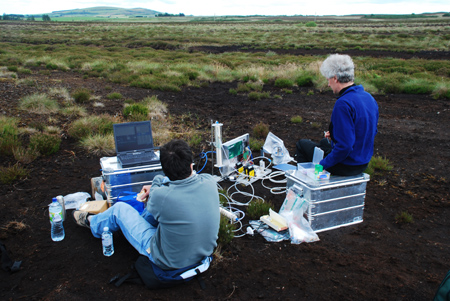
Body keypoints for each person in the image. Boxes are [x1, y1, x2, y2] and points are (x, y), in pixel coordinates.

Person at [73, 139, 220, 277]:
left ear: (165, 170)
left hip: (168, 260)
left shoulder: (162, 197)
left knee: (120, 209)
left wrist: (156, 181)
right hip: (203, 253)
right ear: (190, 165)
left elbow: (156, 195)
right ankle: (128, 227)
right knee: (156, 214)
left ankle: (91, 222)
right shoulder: (210, 182)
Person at [295, 54, 379, 176]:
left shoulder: (343, 103)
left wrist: (321, 165)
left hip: (346, 165)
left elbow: (345, 146)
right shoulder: (368, 98)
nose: (328, 84)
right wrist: (335, 135)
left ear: (335, 78)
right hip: (362, 162)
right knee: (324, 142)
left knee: (302, 145)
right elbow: (369, 131)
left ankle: (305, 184)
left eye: (328, 79)